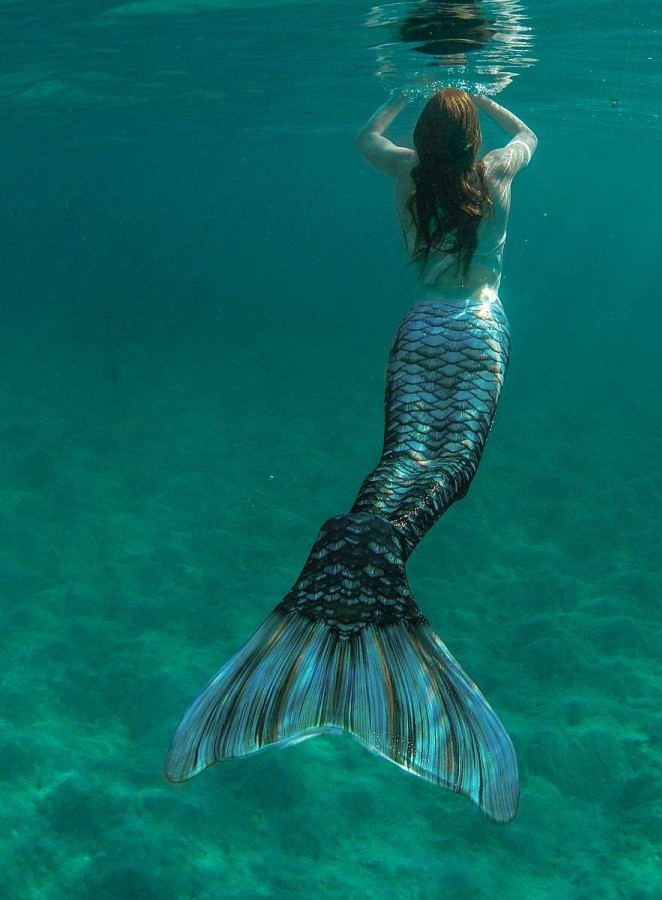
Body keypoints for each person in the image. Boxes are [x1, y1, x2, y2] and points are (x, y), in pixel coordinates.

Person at [164, 89, 536, 824]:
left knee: (400, 459)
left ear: (427, 141)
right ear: (469, 142)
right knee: (447, 470)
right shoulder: (494, 173)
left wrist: (401, 98)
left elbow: (364, 136)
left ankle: (350, 566)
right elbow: (530, 135)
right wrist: (490, 101)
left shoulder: (405, 173)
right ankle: (367, 577)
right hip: (477, 332)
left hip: (422, 328)